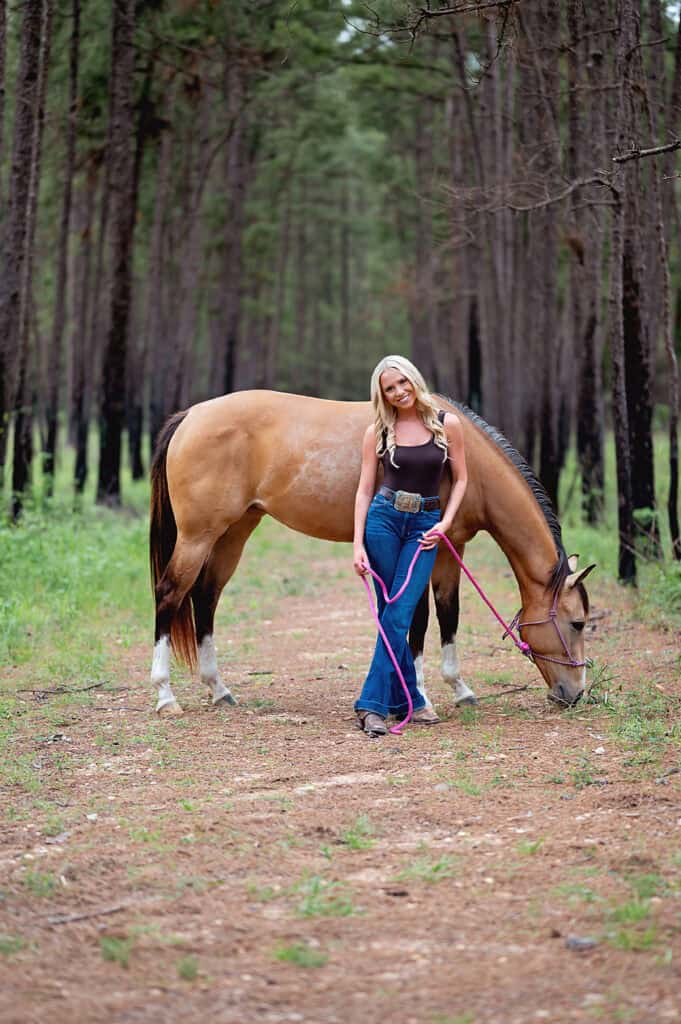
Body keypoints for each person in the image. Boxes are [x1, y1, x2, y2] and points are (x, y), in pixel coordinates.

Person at [352, 355, 468, 736]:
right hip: (383, 520)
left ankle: (371, 704)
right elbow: (365, 488)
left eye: (403, 382)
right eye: (390, 388)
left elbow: (461, 479)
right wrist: (358, 544)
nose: (399, 391)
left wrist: (446, 522)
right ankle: (411, 701)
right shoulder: (378, 431)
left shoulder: (446, 424)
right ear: (381, 395)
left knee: (398, 613)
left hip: (425, 524)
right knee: (394, 612)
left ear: (415, 379)